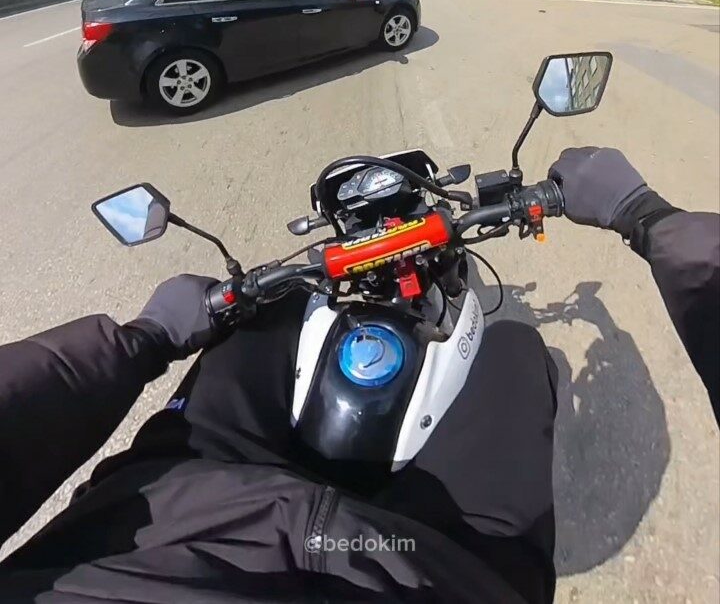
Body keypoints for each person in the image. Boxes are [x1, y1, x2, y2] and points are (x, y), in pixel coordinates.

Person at [0, 149, 717, 603]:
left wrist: (149, 335)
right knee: (515, 350)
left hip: (155, 518)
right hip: (437, 572)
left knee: (273, 310)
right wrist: (646, 216)